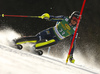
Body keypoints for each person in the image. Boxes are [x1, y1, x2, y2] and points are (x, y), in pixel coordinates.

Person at [14, 11, 81, 63]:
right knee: (36, 39)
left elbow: (73, 42)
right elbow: (54, 18)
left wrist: (71, 55)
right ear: (71, 17)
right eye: (74, 19)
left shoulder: (75, 30)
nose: (74, 21)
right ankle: (16, 41)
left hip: (56, 38)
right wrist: (48, 17)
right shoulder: (64, 19)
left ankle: (33, 48)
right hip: (51, 31)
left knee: (52, 42)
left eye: (76, 21)